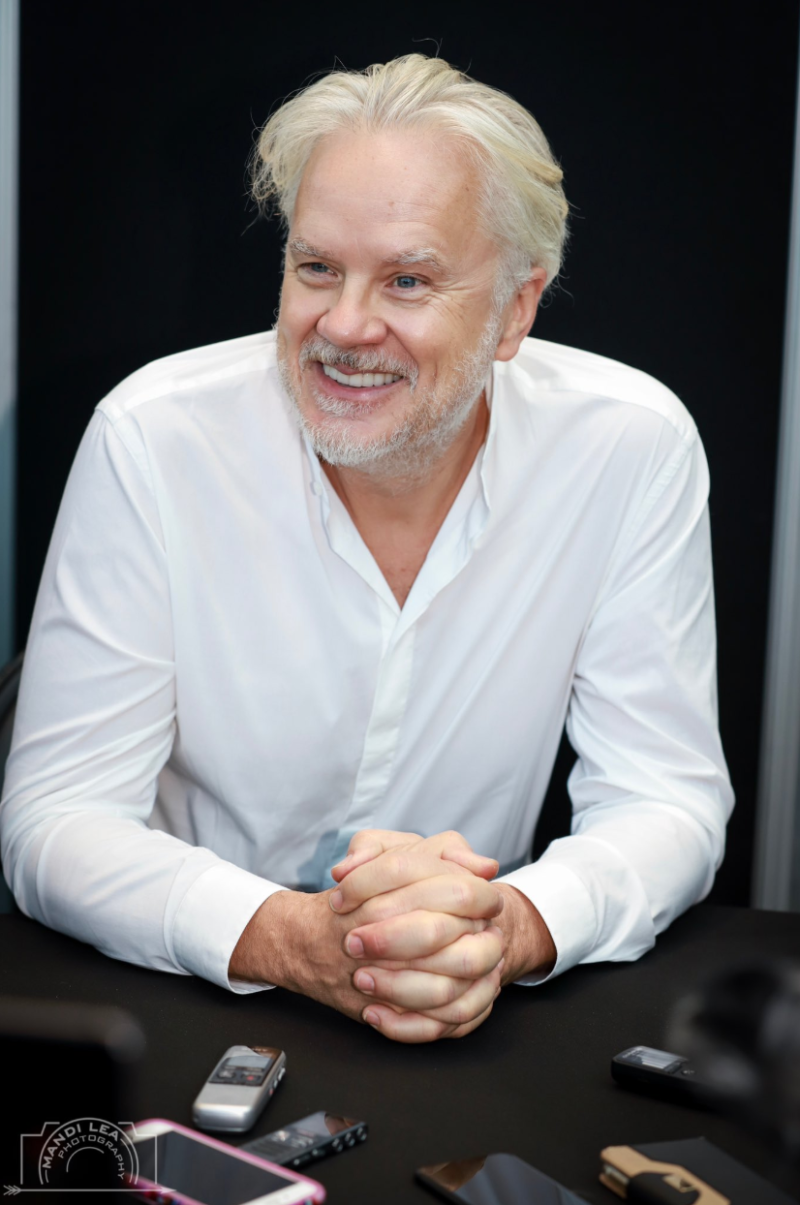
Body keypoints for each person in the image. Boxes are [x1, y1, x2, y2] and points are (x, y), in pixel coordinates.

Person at [0, 55, 734, 1043]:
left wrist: (511, 925)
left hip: (469, 1007)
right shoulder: (154, 439)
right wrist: (293, 938)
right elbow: (55, 820)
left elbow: (665, 797)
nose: (343, 325)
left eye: (407, 279)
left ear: (516, 308)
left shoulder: (629, 445)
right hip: (183, 1004)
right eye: (315, 268)